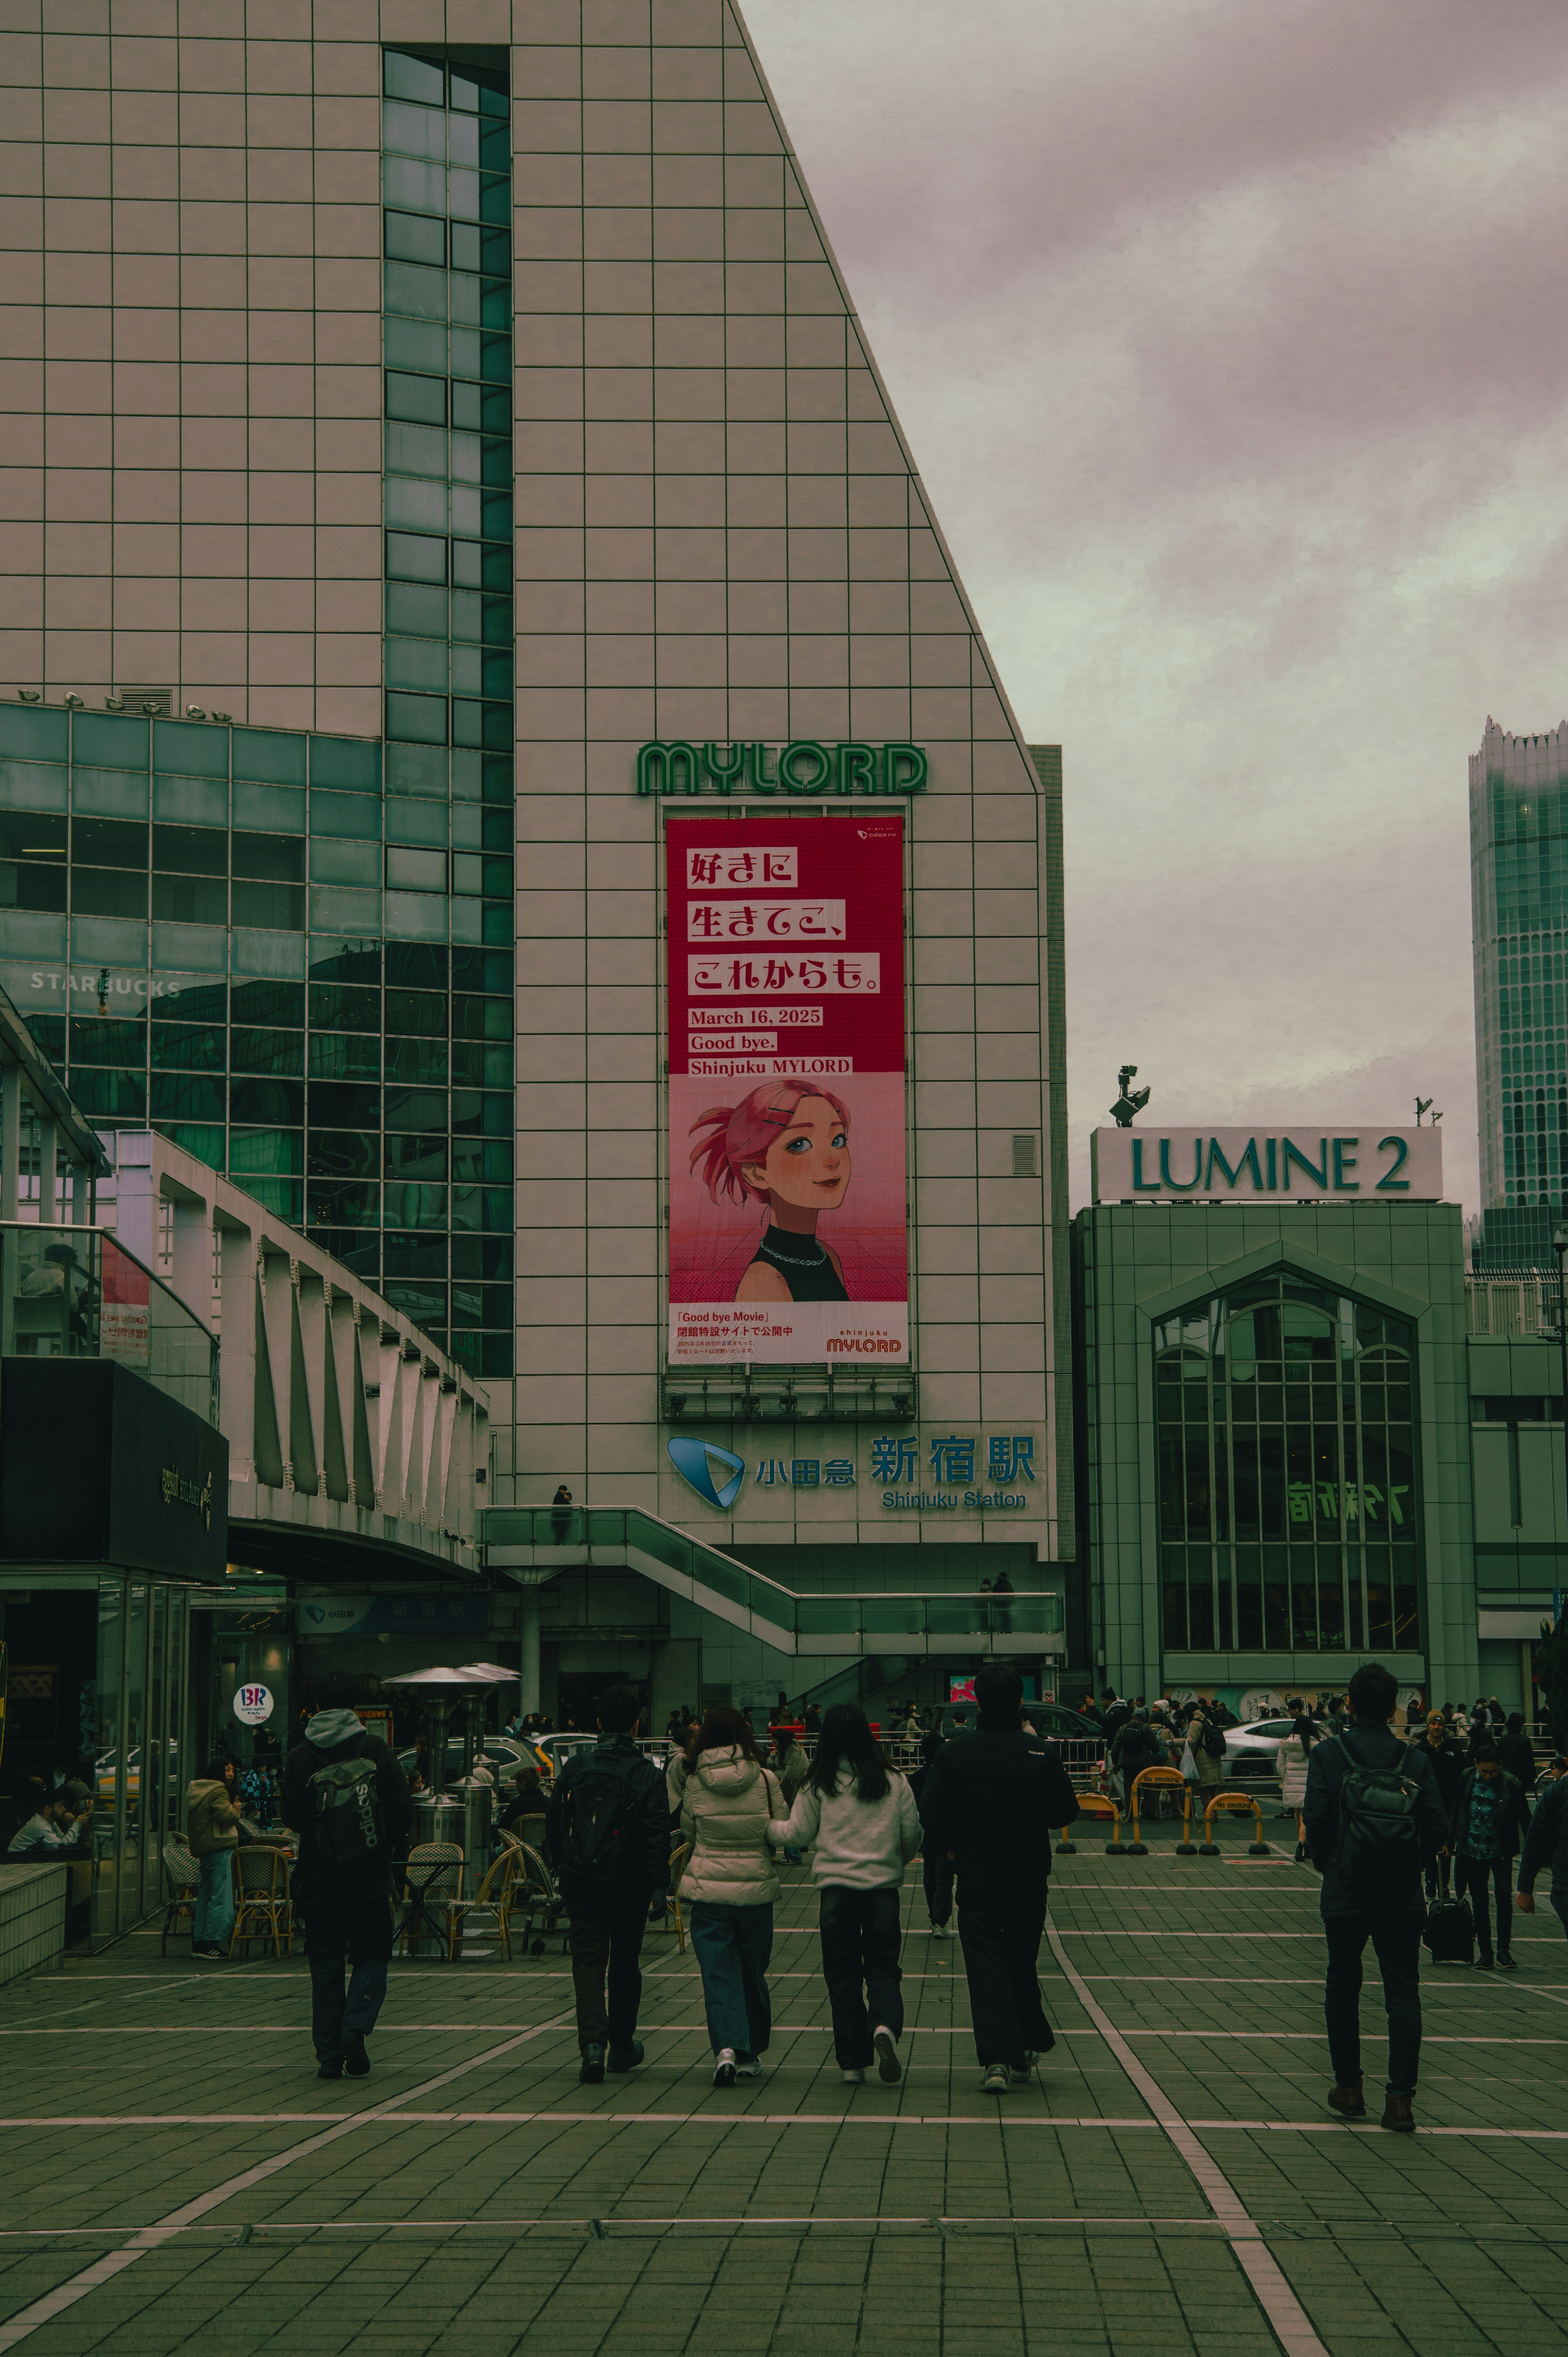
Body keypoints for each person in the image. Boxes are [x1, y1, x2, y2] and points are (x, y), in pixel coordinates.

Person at [918, 1662, 1079, 2093]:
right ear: (1020, 1701)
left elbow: (931, 1813)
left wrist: (957, 1840)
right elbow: (1065, 1811)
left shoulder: (953, 1752)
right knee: (1021, 1958)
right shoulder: (1041, 1752)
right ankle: (1028, 2041)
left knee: (985, 1964)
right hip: (1028, 1873)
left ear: (976, 1701)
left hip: (976, 1873)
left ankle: (998, 2059)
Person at [1301, 1660, 1447, 2132]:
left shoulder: (1330, 1753)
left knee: (1343, 1986)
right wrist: (1409, 1863)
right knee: (1402, 1993)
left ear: (1349, 1702)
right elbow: (1440, 1827)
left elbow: (1317, 1819)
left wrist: (1331, 1863)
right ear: (1395, 1707)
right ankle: (1401, 2100)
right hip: (1401, 1893)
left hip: (1346, 1889)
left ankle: (1349, 2087)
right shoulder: (1415, 1760)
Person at [768, 1703, 922, 2085]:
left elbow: (799, 1835)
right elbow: (912, 1834)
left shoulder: (817, 1782)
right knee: (884, 1967)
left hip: (836, 1892)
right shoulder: (894, 1780)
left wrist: (765, 1828)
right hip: (882, 1891)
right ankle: (884, 2025)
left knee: (843, 1976)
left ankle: (853, 2062)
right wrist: (894, 1863)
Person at [545, 1683, 669, 2084]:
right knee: (626, 1962)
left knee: (588, 1959)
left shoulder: (578, 1766)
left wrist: (561, 1864)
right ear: (637, 1724)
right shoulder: (649, 1774)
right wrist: (658, 1887)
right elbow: (657, 1835)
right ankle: (622, 2046)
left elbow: (554, 1819)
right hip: (628, 1882)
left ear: (598, 1723)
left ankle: (592, 2046)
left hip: (580, 1878)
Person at [281, 1704, 412, 2080]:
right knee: (373, 1956)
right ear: (355, 1708)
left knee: (325, 1966)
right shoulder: (373, 1749)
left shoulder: (299, 1756)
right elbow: (402, 1812)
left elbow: (291, 1816)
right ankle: (355, 2026)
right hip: (367, 1880)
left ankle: (328, 2057)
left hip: (319, 1880)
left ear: (317, 1708)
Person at [669, 1704, 784, 2088]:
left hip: (710, 1891)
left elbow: (691, 1833)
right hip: (755, 1891)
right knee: (752, 1972)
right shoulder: (766, 1779)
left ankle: (727, 2049)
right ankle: (751, 2052)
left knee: (719, 1974)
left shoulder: (695, 1783)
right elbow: (778, 1828)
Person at [1447, 1739, 1530, 1971]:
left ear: (1500, 1766)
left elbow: (1525, 1818)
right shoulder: (1467, 1778)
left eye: (1493, 1771)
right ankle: (1485, 1952)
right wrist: (1449, 1841)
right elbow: (1457, 1810)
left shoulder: (1511, 1784)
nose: (1488, 1776)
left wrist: (1535, 1850)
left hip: (1501, 1851)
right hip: (1472, 1850)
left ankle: (1504, 1950)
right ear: (1475, 1765)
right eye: (1483, 1771)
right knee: (1480, 1901)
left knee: (1504, 1896)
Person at [184, 1754, 243, 1960]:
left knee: (205, 1898)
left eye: (233, 1770)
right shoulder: (219, 1790)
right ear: (218, 1770)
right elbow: (224, 1816)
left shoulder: (199, 1789)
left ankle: (200, 1943)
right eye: (227, 1769)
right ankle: (213, 1943)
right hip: (221, 1847)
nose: (231, 1774)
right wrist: (235, 1811)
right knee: (222, 1898)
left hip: (206, 1850)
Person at [1516, 1757, 1568, 1947]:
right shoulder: (1558, 1792)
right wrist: (1526, 1889)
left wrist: (1525, 1889)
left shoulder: (1556, 1792)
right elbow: (1537, 1840)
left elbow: (1536, 1840)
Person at [1414, 1711, 1466, 1899]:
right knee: (1428, 1845)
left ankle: (1444, 1884)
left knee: (1446, 1847)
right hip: (1425, 1806)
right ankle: (1430, 1880)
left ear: (1445, 1727)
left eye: (1440, 1725)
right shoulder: (1420, 1750)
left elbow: (1462, 1776)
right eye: (1433, 1724)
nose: (1437, 1728)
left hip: (1448, 1805)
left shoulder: (1453, 1749)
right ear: (1427, 1726)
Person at [1275, 1714, 1318, 1859]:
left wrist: (1285, 1778)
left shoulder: (1286, 1744)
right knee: (1306, 1818)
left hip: (1291, 1785)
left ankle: (1305, 1846)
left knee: (1298, 1815)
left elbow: (1280, 1765)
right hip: (1308, 1785)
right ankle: (1302, 1844)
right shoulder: (1315, 1744)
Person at [768, 1723, 811, 1864]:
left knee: (791, 1821)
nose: (773, 1745)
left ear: (782, 1741)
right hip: (790, 1789)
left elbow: (790, 1774)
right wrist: (773, 1758)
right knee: (793, 1819)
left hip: (795, 1790)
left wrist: (776, 1773)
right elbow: (774, 1766)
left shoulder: (794, 1752)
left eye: (775, 1742)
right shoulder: (783, 1749)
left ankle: (794, 1855)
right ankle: (794, 1853)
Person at [7, 1791, 90, 1855]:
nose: (64, 1809)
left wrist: (71, 1824)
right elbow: (62, 1848)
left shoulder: (50, 1822)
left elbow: (64, 1842)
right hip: (15, 1864)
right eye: (60, 1806)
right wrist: (77, 1825)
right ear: (48, 1809)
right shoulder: (40, 1826)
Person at [1111, 1707, 1163, 1809]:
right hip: (1144, 1763)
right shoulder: (1146, 1728)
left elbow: (1115, 1747)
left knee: (1130, 1789)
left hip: (1127, 1763)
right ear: (1144, 1717)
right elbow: (1155, 1747)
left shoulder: (1123, 1728)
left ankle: (1131, 1813)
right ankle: (1148, 1811)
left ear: (1132, 1717)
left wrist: (1115, 1763)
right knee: (1148, 1788)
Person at [497, 1764, 548, 1852]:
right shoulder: (549, 1803)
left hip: (518, 1853)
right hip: (544, 1853)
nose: (516, 1786)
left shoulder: (517, 1804)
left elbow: (502, 1829)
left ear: (523, 1782)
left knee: (493, 1854)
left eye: (517, 1782)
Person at [1497, 1712, 1536, 1795]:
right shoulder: (1525, 1740)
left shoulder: (1502, 1739)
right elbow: (1529, 1761)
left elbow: (1499, 1757)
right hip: (1521, 1776)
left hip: (1506, 1775)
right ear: (1520, 1726)